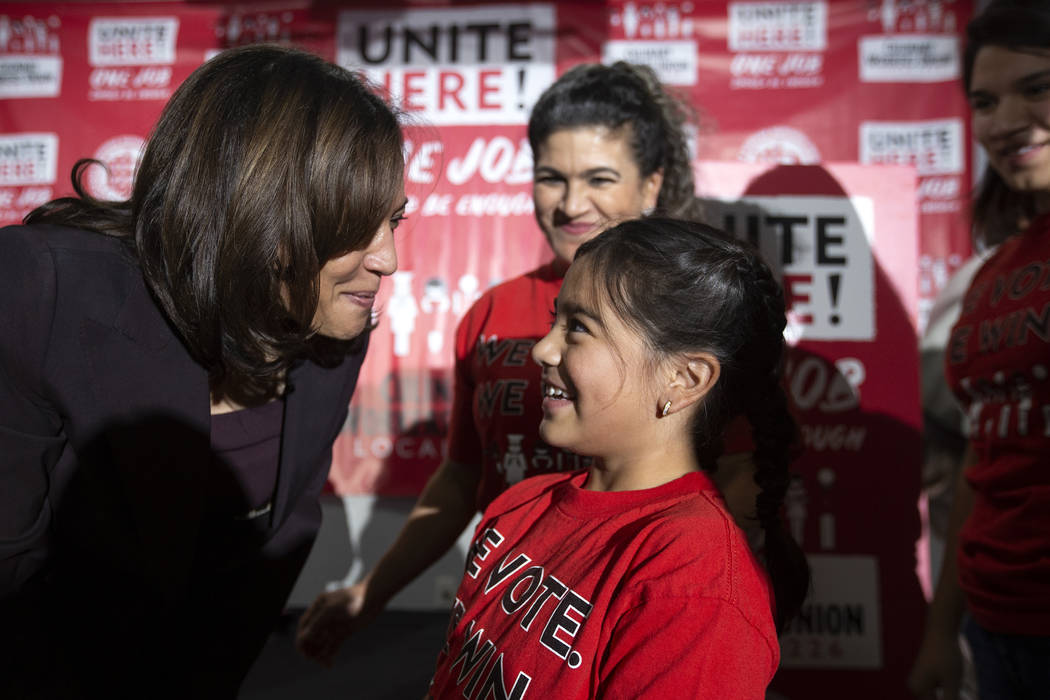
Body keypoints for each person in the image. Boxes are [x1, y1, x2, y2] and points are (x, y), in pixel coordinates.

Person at [0, 45, 405, 697]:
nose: (389, 259)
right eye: (358, 226)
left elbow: (264, 569)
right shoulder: (40, 291)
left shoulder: (332, 334)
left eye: (394, 221)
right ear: (260, 211)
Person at [298, 61, 711, 664]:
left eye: (600, 178)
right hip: (501, 626)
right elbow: (464, 477)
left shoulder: (698, 314)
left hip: (631, 632)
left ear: (651, 185)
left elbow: (739, 480)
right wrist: (372, 592)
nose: (572, 204)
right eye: (551, 178)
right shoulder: (491, 312)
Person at [427, 218, 809, 698]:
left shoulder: (696, 584)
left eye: (579, 328)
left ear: (685, 379)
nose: (543, 349)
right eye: (554, 320)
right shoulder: (517, 507)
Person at [908, 1, 1050, 698]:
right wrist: (942, 633)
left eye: (1038, 88)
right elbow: (981, 456)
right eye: (985, 100)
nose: (1004, 121)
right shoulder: (992, 274)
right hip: (994, 629)